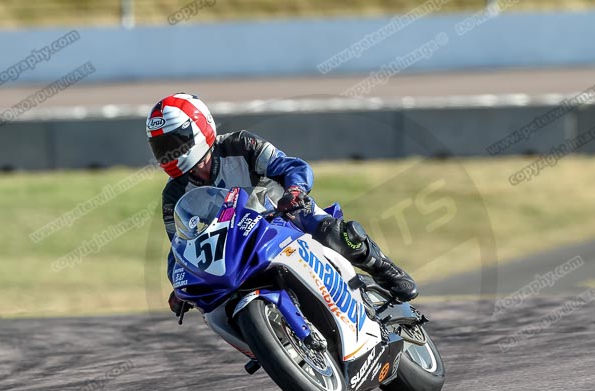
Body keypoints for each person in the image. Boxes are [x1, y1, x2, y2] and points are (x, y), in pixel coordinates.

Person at [146, 93, 417, 315]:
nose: (170, 153)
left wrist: (294, 191)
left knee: (329, 231)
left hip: (280, 215)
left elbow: (291, 167)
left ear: (200, 127)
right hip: (235, 250)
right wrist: (180, 285)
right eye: (161, 147)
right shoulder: (174, 195)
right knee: (214, 306)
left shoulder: (241, 144)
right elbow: (180, 248)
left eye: (174, 142)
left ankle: (380, 266)